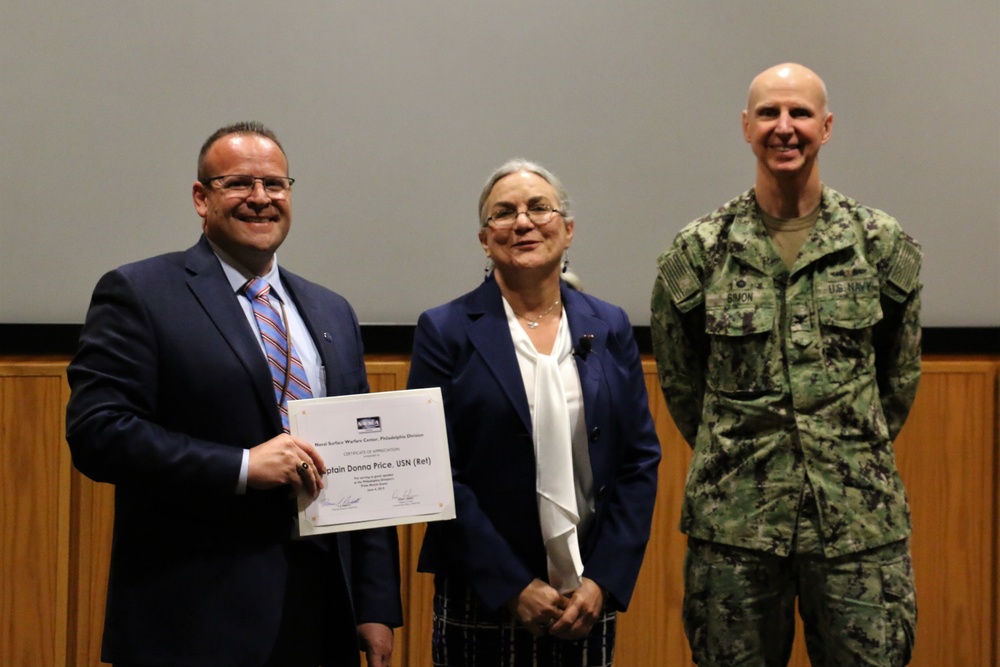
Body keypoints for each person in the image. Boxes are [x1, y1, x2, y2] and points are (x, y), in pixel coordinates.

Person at [66, 121, 403, 667]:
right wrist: (243, 466)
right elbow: (97, 433)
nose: (261, 199)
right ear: (202, 198)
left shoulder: (331, 310)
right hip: (193, 621)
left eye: (275, 184)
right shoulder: (140, 293)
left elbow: (363, 462)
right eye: (239, 183)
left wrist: (375, 604)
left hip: (320, 617)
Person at [651, 63, 922, 666]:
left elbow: (897, 380)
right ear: (746, 127)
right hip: (736, 528)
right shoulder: (700, 249)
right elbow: (680, 382)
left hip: (857, 522)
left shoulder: (877, 242)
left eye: (799, 113)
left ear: (826, 127)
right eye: (769, 114)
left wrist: (842, 448)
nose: (784, 128)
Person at [407, 159, 661, 666]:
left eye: (539, 208)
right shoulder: (446, 330)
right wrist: (512, 585)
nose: (523, 222)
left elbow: (638, 460)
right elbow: (433, 471)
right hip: (482, 591)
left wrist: (603, 580)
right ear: (485, 239)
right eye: (504, 213)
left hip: (584, 598)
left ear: (567, 231)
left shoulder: (608, 325)